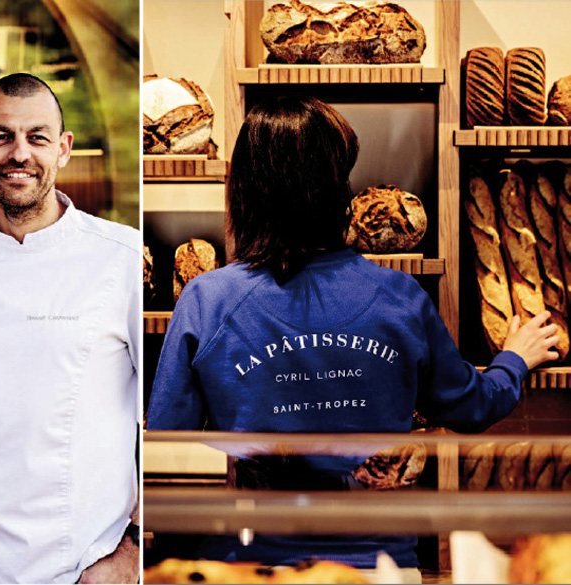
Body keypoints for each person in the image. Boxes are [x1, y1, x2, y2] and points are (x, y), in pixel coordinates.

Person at [146, 95, 559, 574]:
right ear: (336, 189)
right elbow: (470, 406)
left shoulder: (207, 300)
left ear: (245, 189)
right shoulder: (398, 295)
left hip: (256, 570)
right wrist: (515, 359)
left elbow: (164, 447)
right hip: (381, 568)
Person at [0, 73, 140, 584]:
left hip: (88, 563)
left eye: (37, 137)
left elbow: (164, 417)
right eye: (1, 136)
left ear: (64, 149)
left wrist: (133, 552)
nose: (19, 153)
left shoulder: (122, 257)